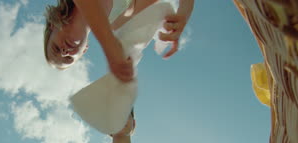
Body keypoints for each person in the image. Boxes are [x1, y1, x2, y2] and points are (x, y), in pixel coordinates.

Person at [44, 0, 195, 82]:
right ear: (84, 50)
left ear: (52, 26)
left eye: (56, 48)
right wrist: (182, 15)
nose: (64, 52)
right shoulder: (117, 20)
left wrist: (110, 46)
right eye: (69, 58)